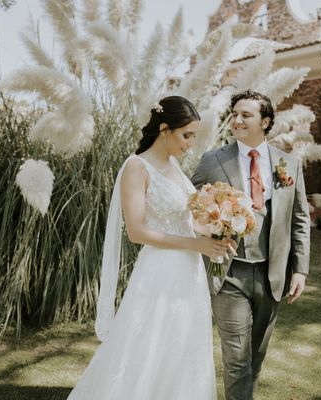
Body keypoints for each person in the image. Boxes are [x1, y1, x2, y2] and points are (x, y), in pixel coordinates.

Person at [67, 96, 231, 400]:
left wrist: (216, 232)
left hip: (189, 273)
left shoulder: (175, 167)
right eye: (187, 135)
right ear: (165, 129)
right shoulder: (136, 167)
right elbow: (137, 231)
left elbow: (185, 221)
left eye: (194, 135)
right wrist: (197, 244)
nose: (191, 143)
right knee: (149, 347)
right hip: (159, 273)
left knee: (182, 349)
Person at [192, 90, 311, 400]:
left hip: (273, 274)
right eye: (235, 114)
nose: (237, 120)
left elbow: (299, 219)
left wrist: (300, 271)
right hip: (228, 272)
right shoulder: (212, 160)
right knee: (236, 359)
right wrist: (208, 228)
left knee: (255, 355)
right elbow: (191, 206)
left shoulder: (289, 164)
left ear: (266, 121)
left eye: (246, 115)